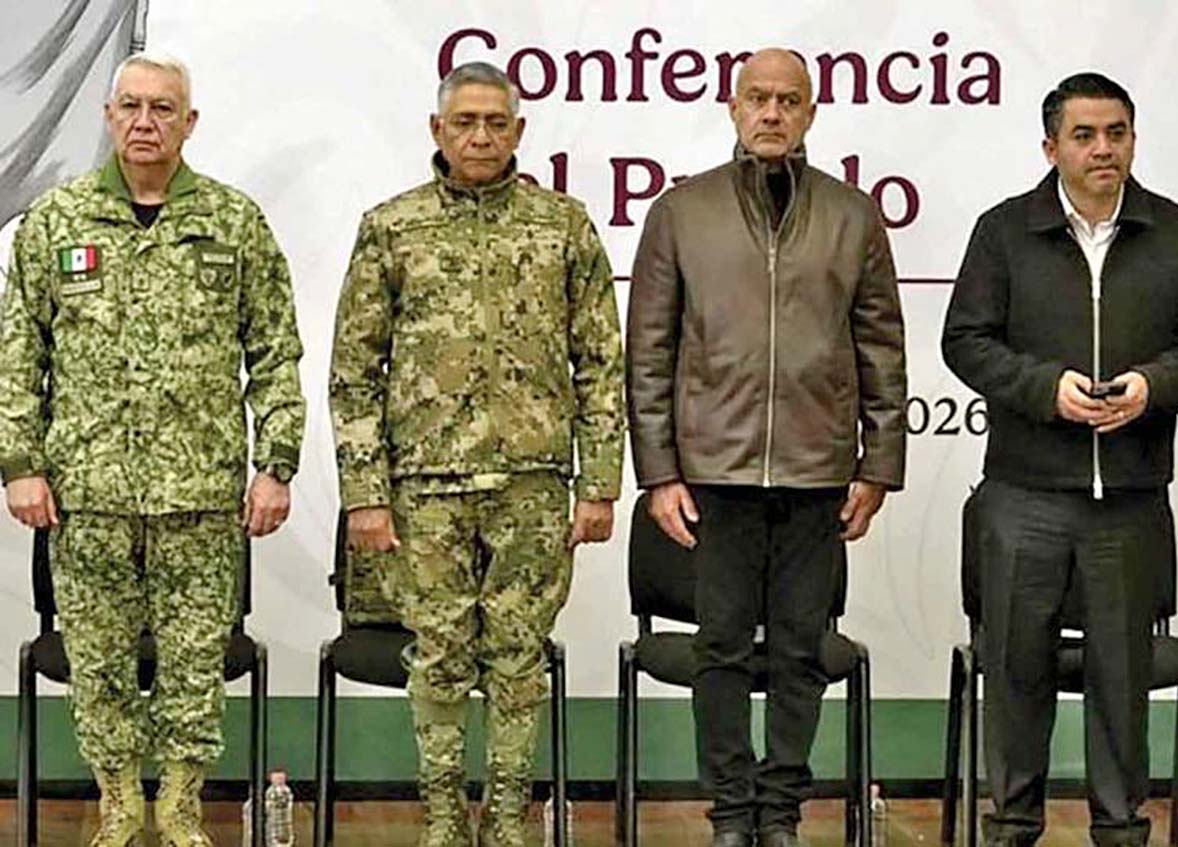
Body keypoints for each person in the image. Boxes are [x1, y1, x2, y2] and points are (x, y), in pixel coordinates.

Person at [0, 52, 305, 847]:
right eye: (131, 106)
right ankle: (116, 804)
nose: (145, 122)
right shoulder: (56, 222)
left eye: (163, 108)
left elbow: (275, 352)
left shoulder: (232, 223)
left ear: (188, 122)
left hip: (199, 494)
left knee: (194, 662)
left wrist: (276, 464)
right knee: (98, 661)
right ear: (109, 116)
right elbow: (18, 355)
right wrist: (21, 464)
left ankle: (178, 804)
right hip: (87, 492)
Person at [328, 61, 625, 847]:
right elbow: (354, 372)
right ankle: (441, 817)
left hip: (533, 484)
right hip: (423, 486)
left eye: (497, 122)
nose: (482, 136)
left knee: (519, 656)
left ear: (519, 131)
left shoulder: (563, 225)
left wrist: (599, 481)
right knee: (439, 654)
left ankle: (506, 817)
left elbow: (601, 361)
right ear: (438, 130)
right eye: (466, 122)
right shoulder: (392, 227)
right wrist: (365, 492)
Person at [942, 72, 1178, 847]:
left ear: (1133, 139)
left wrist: (1151, 386)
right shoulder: (1003, 230)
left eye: (1116, 133)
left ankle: (1119, 827)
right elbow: (965, 340)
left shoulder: (1176, 231)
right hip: (1023, 492)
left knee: (1121, 676)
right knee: (1015, 669)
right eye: (1084, 135)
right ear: (1051, 148)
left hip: (1130, 497)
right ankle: (1012, 824)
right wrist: (1046, 389)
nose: (1103, 149)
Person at [626, 48, 907, 847]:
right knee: (719, 648)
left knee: (798, 650)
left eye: (788, 100)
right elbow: (648, 352)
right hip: (713, 472)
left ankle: (780, 808)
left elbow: (881, 346)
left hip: (817, 472)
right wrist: (659, 473)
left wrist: (878, 465)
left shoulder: (852, 215)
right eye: (758, 98)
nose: (772, 112)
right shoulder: (682, 212)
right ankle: (729, 808)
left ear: (811, 112)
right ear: (733, 107)